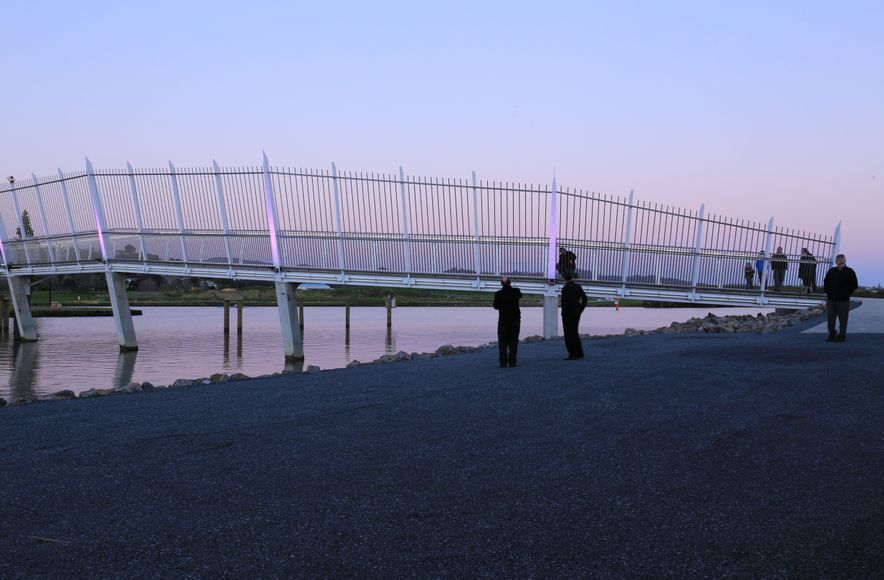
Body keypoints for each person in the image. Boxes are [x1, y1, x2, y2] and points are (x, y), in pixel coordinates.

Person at [823, 254, 858, 342]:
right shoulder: (831, 271)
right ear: (836, 261)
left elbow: (854, 285)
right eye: (839, 260)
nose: (840, 261)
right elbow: (826, 282)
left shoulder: (850, 271)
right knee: (830, 318)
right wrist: (827, 292)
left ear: (845, 261)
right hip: (831, 299)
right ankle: (832, 334)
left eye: (842, 260)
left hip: (843, 300)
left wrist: (847, 293)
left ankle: (842, 335)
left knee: (843, 319)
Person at [492, 276, 522, 367]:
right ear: (510, 282)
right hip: (515, 320)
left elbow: (495, 306)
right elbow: (520, 295)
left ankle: (503, 362)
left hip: (503, 321)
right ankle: (512, 362)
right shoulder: (516, 291)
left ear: (501, 283)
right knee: (513, 341)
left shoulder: (498, 294)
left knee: (502, 342)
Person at [560, 271, 588, 360]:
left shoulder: (565, 288)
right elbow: (585, 299)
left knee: (568, 334)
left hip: (567, 314)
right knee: (575, 333)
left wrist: (563, 313)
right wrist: (580, 309)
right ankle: (579, 352)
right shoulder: (578, 286)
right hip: (576, 313)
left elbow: (564, 303)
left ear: (564, 278)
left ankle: (572, 353)